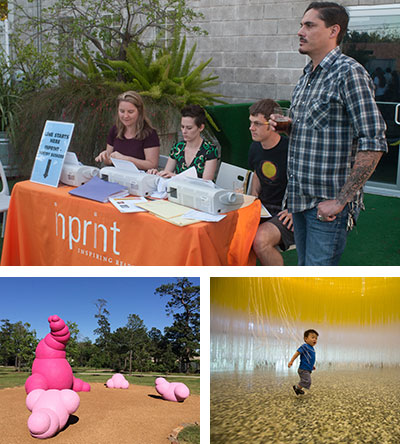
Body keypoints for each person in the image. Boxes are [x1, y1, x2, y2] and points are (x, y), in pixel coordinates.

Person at [269, 2, 388, 266]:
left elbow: (374, 141)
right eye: (301, 24)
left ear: (334, 30)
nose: (300, 31)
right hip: (298, 198)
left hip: (327, 206)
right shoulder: (306, 76)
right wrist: (288, 127)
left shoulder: (349, 72)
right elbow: (318, 130)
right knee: (304, 269)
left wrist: (340, 201)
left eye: (309, 25)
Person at [248, 99, 294, 266]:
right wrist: (253, 196)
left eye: (257, 124)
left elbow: (305, 179)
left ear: (273, 124)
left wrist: (295, 209)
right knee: (229, 231)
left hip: (287, 213)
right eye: (251, 123)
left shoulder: (291, 150)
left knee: (260, 241)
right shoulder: (255, 147)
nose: (251, 128)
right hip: (263, 208)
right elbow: (257, 173)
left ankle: (278, 285)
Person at [147, 104, 218, 180]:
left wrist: (175, 177)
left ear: (201, 127)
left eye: (189, 128)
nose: (184, 131)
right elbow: (166, 174)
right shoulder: (178, 147)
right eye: (182, 126)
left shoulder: (209, 150)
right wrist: (156, 174)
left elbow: (206, 183)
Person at [95, 91, 160, 170]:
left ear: (139, 112)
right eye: (122, 111)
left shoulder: (149, 134)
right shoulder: (114, 130)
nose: (125, 116)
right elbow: (109, 161)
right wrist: (105, 157)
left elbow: (152, 165)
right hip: (116, 177)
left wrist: (126, 159)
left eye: (130, 112)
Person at [288, 329, 319, 396]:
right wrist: (291, 361)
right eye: (312, 337)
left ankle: (298, 389)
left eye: (316, 338)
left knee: (305, 380)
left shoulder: (312, 348)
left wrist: (312, 365)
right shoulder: (305, 346)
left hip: (307, 369)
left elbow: (310, 358)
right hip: (303, 369)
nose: (315, 340)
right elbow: (297, 353)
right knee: (307, 381)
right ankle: (297, 388)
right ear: (306, 339)